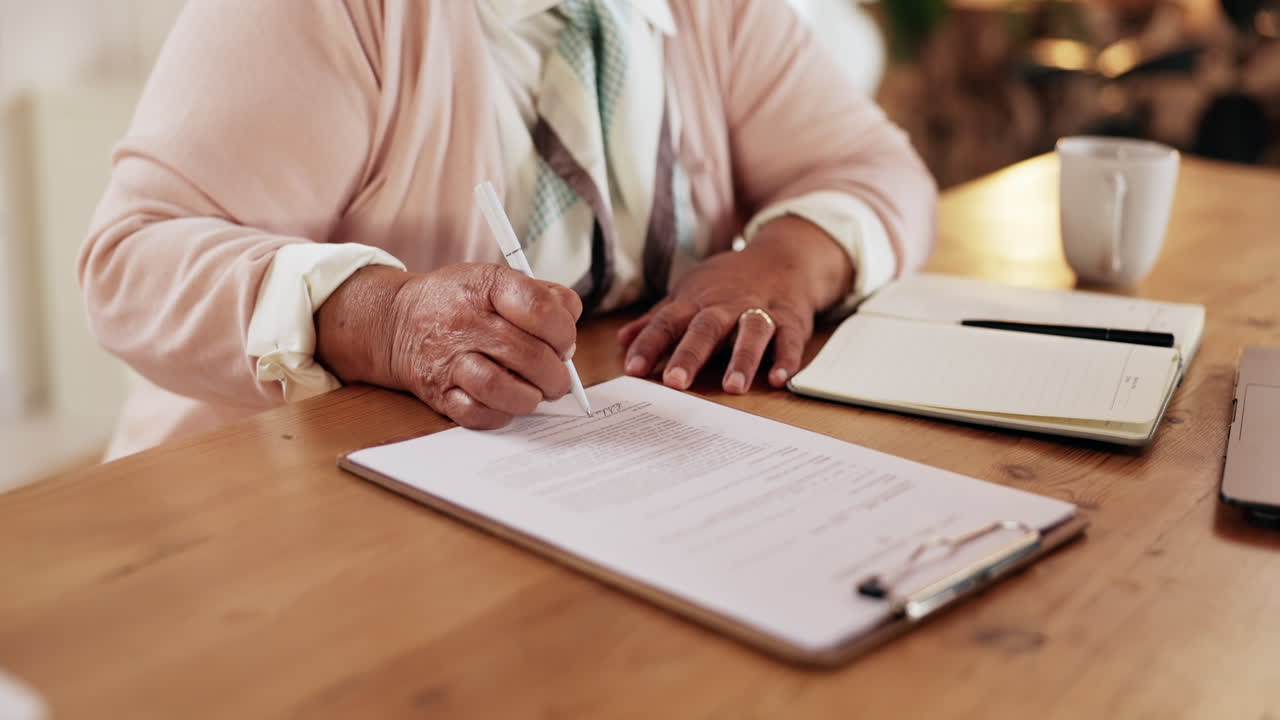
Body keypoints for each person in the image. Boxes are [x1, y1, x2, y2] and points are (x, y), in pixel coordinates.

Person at [80, 0, 936, 459]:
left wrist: (786, 259)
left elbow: (876, 168)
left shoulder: (718, 12)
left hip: (594, 488)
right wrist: (383, 319)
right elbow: (131, 260)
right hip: (271, 515)